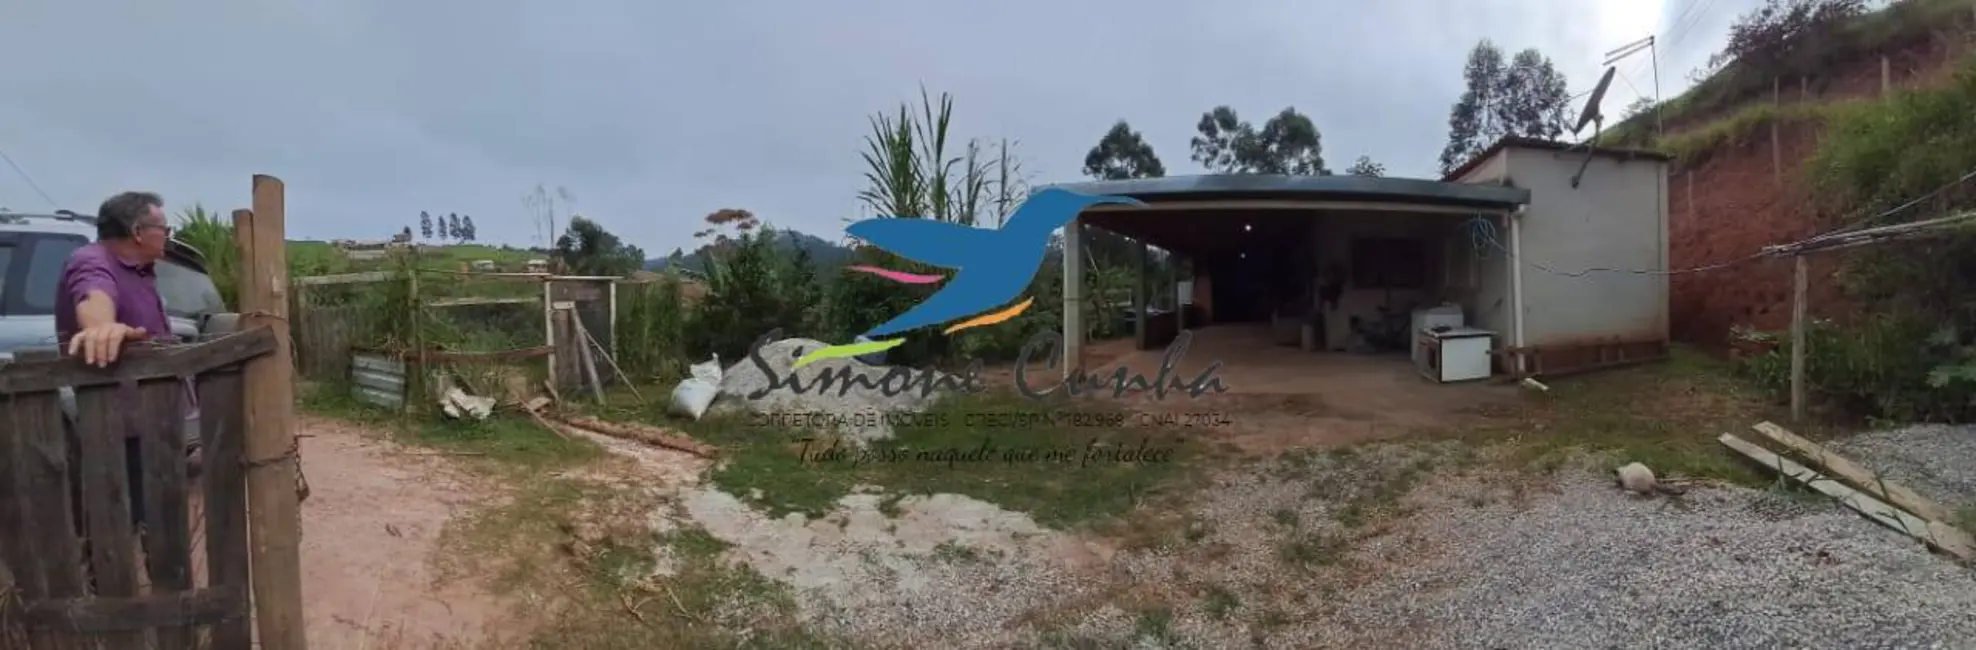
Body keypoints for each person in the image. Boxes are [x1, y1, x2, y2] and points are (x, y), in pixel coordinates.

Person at [58, 191, 201, 531]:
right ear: (138, 231)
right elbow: (93, 294)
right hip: (121, 425)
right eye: (163, 229)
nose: (168, 236)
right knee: (122, 518)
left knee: (155, 511)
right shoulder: (91, 261)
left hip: (152, 417)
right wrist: (101, 328)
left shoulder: (141, 269)